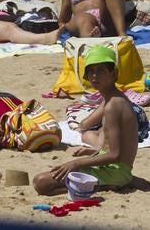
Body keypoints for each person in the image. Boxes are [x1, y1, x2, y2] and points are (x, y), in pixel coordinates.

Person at [33, 45, 142, 194]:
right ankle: (99, 183)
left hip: (116, 172)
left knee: (42, 183)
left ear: (114, 73)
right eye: (91, 71)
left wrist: (76, 163)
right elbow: (113, 148)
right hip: (114, 167)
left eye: (100, 71)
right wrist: (93, 152)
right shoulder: (111, 100)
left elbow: (115, 155)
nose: (94, 76)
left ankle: (107, 185)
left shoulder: (113, 106)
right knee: (43, 179)